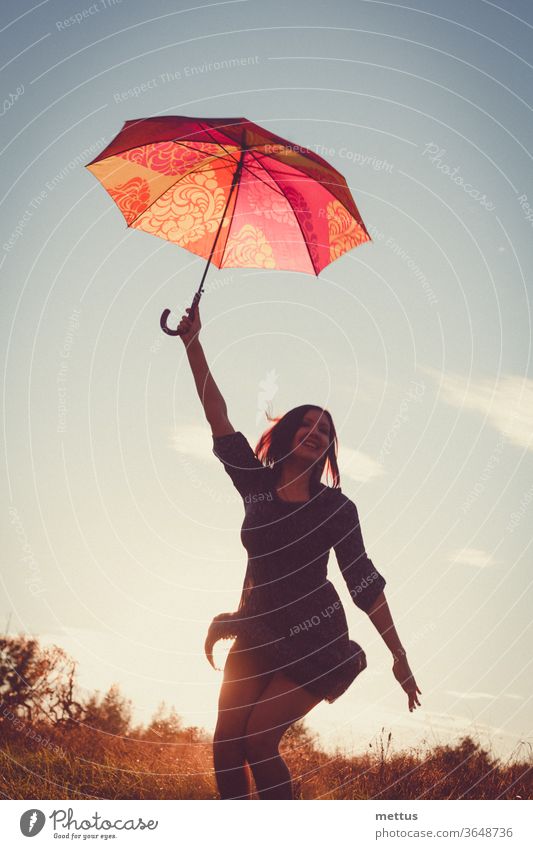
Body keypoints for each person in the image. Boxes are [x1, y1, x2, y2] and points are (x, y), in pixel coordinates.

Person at [177, 304, 422, 800]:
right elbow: (218, 418)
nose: (318, 433)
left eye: (326, 431)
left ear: (329, 448)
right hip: (256, 627)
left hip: (314, 638)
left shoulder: (336, 509)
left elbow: (364, 584)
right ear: (289, 434)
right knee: (226, 745)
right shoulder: (257, 486)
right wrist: (192, 344)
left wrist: (399, 654)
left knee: (258, 742)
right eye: (308, 425)